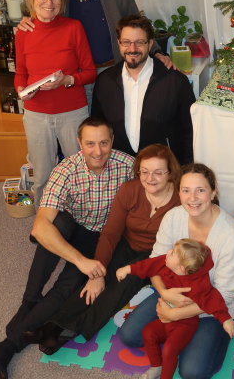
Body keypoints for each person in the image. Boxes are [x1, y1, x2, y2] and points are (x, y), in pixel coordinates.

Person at [0, 117, 134, 379]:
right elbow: (39, 227)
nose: (98, 151)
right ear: (79, 143)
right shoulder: (66, 170)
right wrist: (79, 260)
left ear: (112, 141)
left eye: (104, 142)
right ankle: (29, 300)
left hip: (104, 239)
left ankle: (8, 345)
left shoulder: (128, 166)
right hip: (76, 230)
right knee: (58, 223)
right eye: (90, 143)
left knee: (67, 287)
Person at [25, 144, 182, 354]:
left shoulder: (181, 201)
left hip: (154, 256)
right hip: (127, 244)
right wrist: (97, 274)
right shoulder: (130, 190)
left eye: (158, 172)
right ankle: (53, 325)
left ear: (170, 173)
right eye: (144, 172)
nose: (150, 178)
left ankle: (67, 333)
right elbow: (110, 233)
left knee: (121, 287)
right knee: (96, 279)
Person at [119, 163, 234, 379]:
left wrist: (175, 314)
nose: (192, 198)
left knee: (192, 372)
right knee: (130, 336)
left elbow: (225, 293)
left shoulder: (230, 233)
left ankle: (193, 337)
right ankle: (180, 336)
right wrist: (165, 293)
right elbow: (155, 262)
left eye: (201, 190)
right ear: (179, 192)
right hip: (171, 294)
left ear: (213, 192)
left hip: (211, 305)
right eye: (186, 190)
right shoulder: (174, 217)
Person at [17, 0, 173, 106]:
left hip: (115, 72)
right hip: (77, 77)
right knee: (88, 130)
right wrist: (29, 21)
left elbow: (137, 23)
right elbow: (46, 11)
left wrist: (157, 52)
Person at [14, 0, 97, 205]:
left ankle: (80, 216)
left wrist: (66, 80)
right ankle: (45, 223)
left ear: (62, 1)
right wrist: (22, 89)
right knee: (42, 176)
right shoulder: (23, 32)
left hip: (72, 112)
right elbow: (20, 73)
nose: (49, 2)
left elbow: (90, 73)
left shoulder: (74, 28)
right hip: (36, 113)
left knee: (79, 173)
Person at [116, 238, 234, 379]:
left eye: (172, 252)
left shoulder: (199, 284)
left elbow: (214, 300)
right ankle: (156, 367)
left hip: (185, 325)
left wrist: (226, 319)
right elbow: (149, 264)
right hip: (165, 319)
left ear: (181, 269)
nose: (167, 252)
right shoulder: (166, 263)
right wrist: (128, 269)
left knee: (169, 351)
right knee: (148, 332)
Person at [92, 15, 196, 164]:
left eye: (139, 42)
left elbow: (190, 132)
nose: (132, 49)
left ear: (150, 44)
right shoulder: (104, 82)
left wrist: (185, 171)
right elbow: (99, 129)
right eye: (126, 42)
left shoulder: (175, 81)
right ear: (118, 43)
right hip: (121, 170)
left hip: (164, 170)